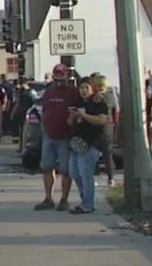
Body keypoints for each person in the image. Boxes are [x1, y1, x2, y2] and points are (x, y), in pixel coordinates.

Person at [35, 64, 81, 211]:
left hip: (65, 136)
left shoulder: (73, 93)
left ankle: (64, 199)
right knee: (47, 167)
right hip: (49, 135)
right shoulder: (48, 91)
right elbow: (44, 110)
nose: (59, 80)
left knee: (66, 170)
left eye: (62, 77)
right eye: (57, 77)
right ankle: (48, 198)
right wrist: (43, 127)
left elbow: (80, 111)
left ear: (67, 77)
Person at [67, 77, 110, 214]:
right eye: (81, 88)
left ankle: (87, 204)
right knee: (74, 172)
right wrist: (73, 117)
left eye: (86, 88)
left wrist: (84, 116)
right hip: (76, 143)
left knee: (86, 174)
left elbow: (102, 121)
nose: (84, 91)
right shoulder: (78, 103)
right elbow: (70, 123)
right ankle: (84, 199)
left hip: (92, 143)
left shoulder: (98, 102)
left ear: (92, 89)